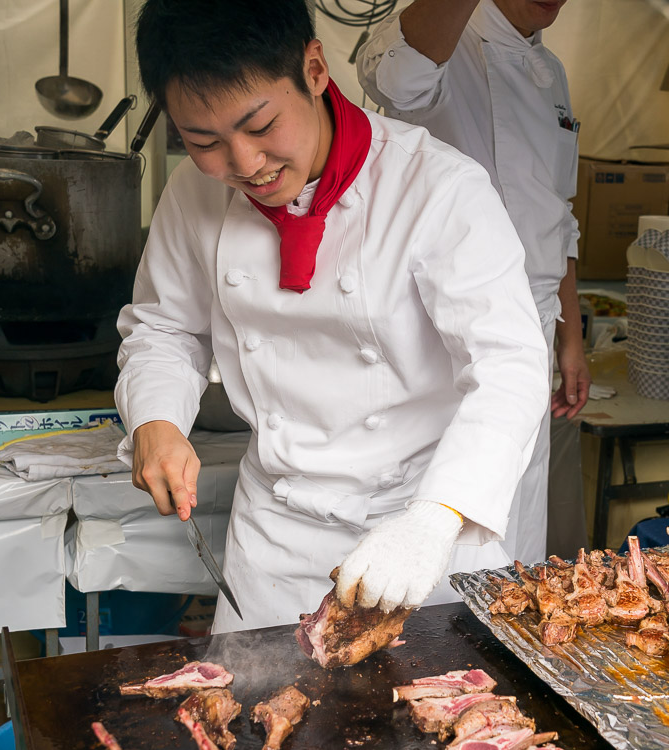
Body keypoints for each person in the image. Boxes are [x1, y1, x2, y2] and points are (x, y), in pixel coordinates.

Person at [121, 0, 549, 633]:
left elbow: (508, 365)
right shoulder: (193, 193)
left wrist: (435, 519)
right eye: (203, 141)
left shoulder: (437, 187)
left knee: (437, 721)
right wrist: (155, 419)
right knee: (251, 720)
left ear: (315, 69)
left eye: (261, 125)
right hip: (275, 538)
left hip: (421, 532)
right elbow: (165, 328)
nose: (244, 165)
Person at [357, 0, 589, 566]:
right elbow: (396, 80)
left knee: (519, 503)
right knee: (437, 506)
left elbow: (556, 214)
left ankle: (501, 648)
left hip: (533, 320)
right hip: (441, 324)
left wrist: (571, 336)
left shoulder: (550, 69)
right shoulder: (449, 37)